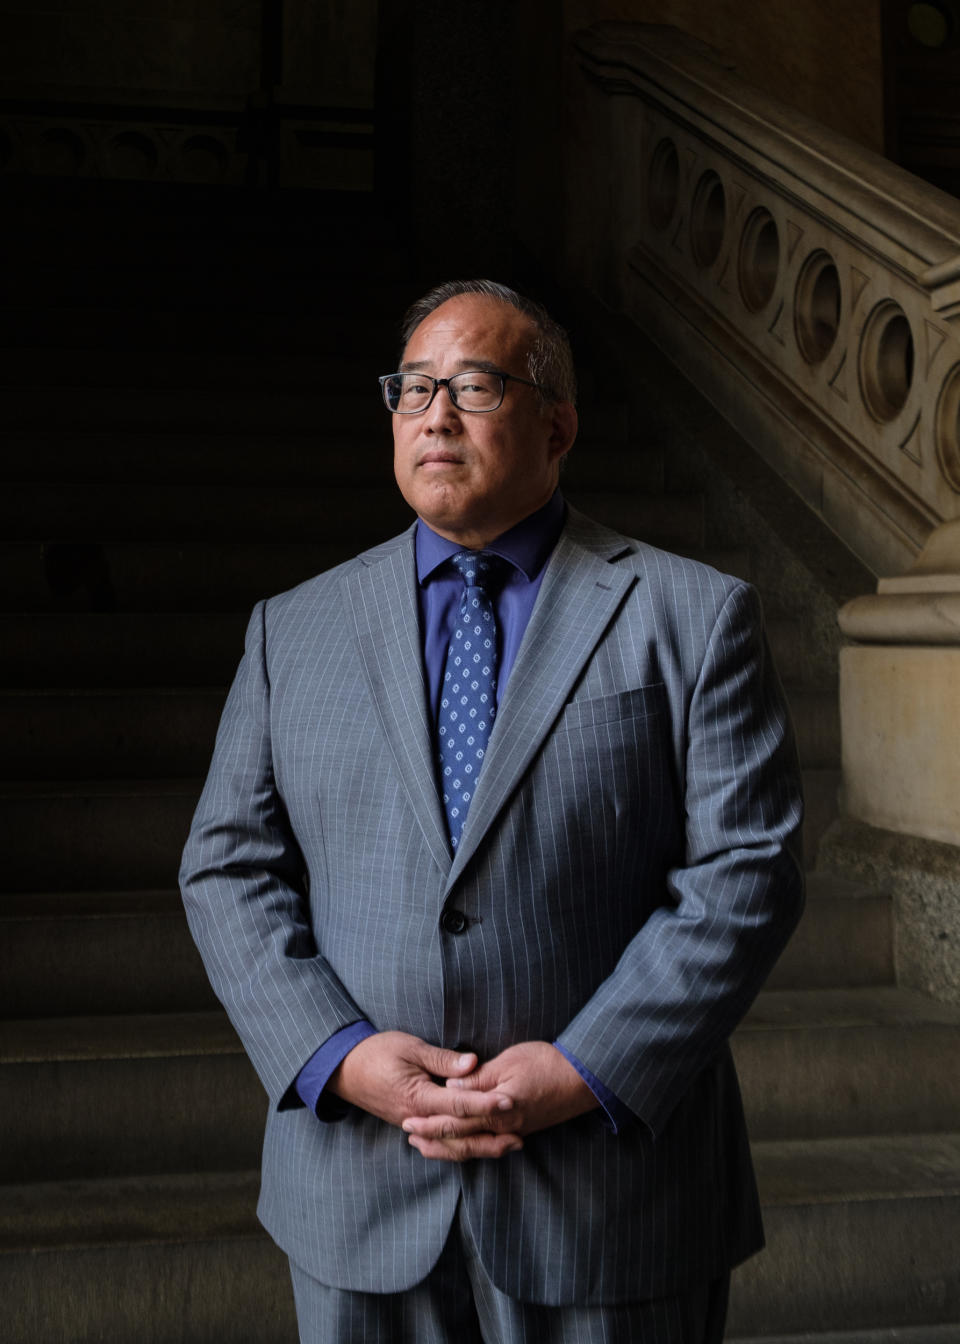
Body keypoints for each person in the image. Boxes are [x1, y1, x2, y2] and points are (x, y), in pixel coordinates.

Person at [180, 279, 804, 1343]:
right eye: (411, 387)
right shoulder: (294, 630)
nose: (433, 414)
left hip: (610, 1193)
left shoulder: (691, 617)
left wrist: (585, 1067)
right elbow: (227, 867)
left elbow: (748, 871)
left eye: (473, 385)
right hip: (358, 1188)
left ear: (557, 426)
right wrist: (336, 1055)